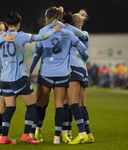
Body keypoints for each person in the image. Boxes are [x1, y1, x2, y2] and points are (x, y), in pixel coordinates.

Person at [0, 11, 61, 145]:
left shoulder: (1, 37)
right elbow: (41, 37)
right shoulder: (20, 36)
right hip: (18, 78)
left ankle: (4, 137)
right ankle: (26, 135)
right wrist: (53, 30)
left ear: (6, 24)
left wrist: (2, 39)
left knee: (10, 108)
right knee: (32, 106)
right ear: (19, 24)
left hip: (4, 80)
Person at [28, 6, 87, 144]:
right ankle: (57, 138)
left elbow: (37, 51)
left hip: (46, 73)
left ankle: (35, 132)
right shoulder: (67, 31)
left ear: (48, 17)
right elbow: (83, 48)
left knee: (40, 104)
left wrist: (30, 70)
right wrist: (79, 59)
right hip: (62, 73)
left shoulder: (44, 31)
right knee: (59, 105)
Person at [69, 9, 94, 143]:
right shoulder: (79, 33)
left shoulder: (82, 33)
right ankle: (89, 134)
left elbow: (76, 33)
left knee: (73, 102)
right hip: (83, 69)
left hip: (75, 69)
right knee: (82, 104)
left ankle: (82, 133)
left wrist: (65, 26)